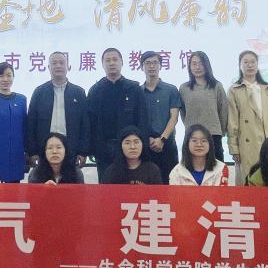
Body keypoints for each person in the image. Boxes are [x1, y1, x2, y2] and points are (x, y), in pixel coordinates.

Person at [227, 50, 268, 183]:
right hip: (247, 144)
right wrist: (233, 147)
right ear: (240, 66)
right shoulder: (234, 90)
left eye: (253, 62)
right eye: (245, 62)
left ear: (257, 64)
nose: (250, 65)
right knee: (250, 180)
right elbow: (232, 121)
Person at [87, 48, 148, 181]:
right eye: (107, 60)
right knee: (106, 186)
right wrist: (91, 148)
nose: (111, 63)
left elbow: (142, 119)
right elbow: (90, 122)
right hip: (103, 148)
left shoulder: (134, 89)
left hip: (130, 148)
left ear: (122, 62)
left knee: (130, 186)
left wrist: (142, 145)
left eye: (115, 59)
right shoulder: (95, 90)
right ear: (102, 64)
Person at [26, 51, 90, 167]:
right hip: (45, 150)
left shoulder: (79, 92)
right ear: (48, 67)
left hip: (71, 150)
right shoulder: (39, 92)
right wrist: (32, 151)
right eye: (54, 63)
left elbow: (85, 124)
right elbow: (31, 123)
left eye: (61, 62)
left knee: (69, 178)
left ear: (68, 66)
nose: (58, 65)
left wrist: (83, 151)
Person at [179, 51, 228, 163]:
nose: (197, 67)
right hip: (192, 135)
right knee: (192, 168)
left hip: (213, 135)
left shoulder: (217, 86)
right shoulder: (184, 88)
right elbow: (183, 113)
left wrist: (221, 131)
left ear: (207, 65)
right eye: (194, 64)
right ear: (189, 67)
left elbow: (223, 111)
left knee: (216, 169)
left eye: (201, 63)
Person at [140, 51, 181, 182]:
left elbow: (174, 117)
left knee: (170, 184)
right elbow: (137, 120)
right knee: (147, 185)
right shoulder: (137, 91)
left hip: (167, 144)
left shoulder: (171, 90)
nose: (151, 66)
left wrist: (162, 139)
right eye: (147, 63)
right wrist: (147, 139)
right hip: (145, 145)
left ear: (160, 66)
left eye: (155, 63)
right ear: (142, 67)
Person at [169, 124, 237, 186]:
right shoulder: (177, 171)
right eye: (194, 140)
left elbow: (221, 194)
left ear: (210, 144)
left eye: (203, 141)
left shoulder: (221, 168)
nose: (199, 144)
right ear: (187, 144)